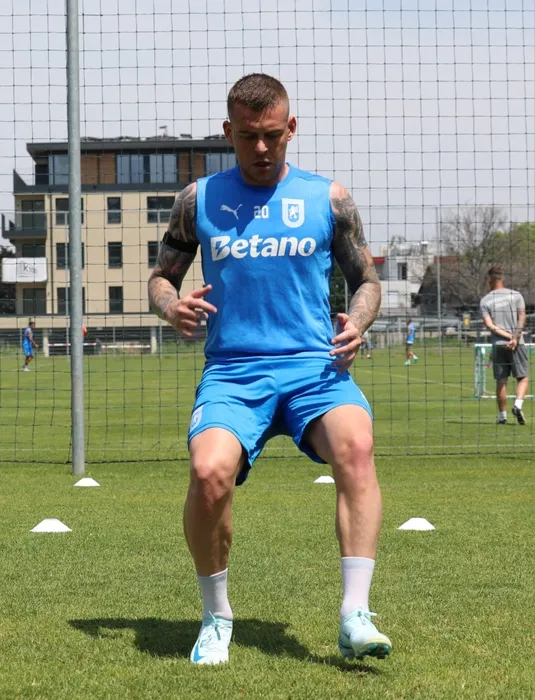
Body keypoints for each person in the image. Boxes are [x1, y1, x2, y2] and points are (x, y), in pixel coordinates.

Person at [149, 73, 391, 665]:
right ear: (228, 131)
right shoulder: (197, 200)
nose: (261, 148)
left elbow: (367, 280)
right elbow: (161, 278)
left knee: (357, 447)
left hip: (314, 369)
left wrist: (358, 323)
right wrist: (170, 306)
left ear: (292, 128)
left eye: (273, 135)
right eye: (248, 136)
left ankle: (355, 615)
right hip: (234, 372)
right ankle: (216, 617)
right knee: (209, 473)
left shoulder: (328, 199)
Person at [480, 266, 529, 425]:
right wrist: (515, 337)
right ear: (503, 278)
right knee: (523, 377)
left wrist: (507, 337)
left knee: (501, 380)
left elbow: (490, 325)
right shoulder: (516, 295)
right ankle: (518, 405)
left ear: (489, 280)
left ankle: (502, 417)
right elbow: (522, 317)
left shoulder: (485, 301)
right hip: (517, 343)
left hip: (499, 344)